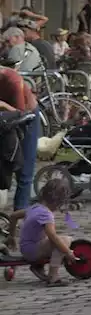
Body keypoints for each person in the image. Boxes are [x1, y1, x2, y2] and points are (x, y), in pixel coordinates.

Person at [9, 178, 76, 286]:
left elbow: (13, 216)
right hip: (32, 251)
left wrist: (11, 236)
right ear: (58, 202)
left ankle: (38, 266)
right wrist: (67, 252)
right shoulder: (46, 214)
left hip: (26, 247)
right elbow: (52, 236)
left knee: (58, 242)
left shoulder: (35, 207)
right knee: (64, 240)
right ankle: (53, 277)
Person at [0, 67, 37, 210]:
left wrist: (3, 105)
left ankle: (20, 213)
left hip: (27, 117)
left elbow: (21, 112)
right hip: (3, 119)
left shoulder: (12, 79)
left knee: (24, 169)